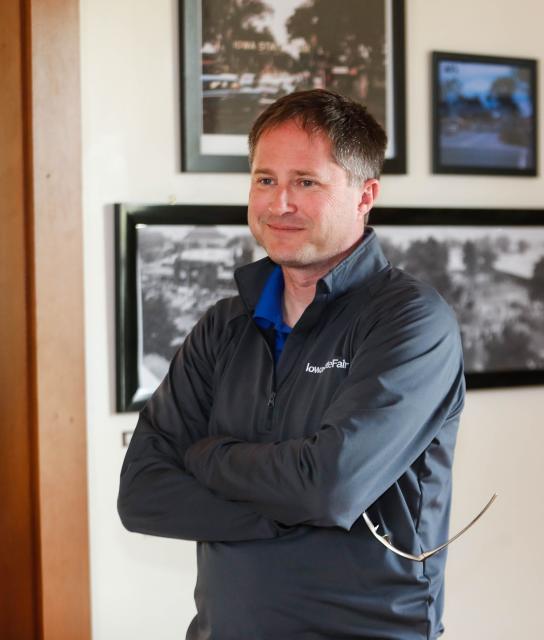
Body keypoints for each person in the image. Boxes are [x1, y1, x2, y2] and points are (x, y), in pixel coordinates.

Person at [118, 89, 466, 640]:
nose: (280, 203)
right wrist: (289, 512)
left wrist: (207, 457)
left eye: (306, 181)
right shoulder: (224, 325)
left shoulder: (411, 322)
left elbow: (330, 487)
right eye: (265, 180)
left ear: (364, 194)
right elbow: (142, 494)